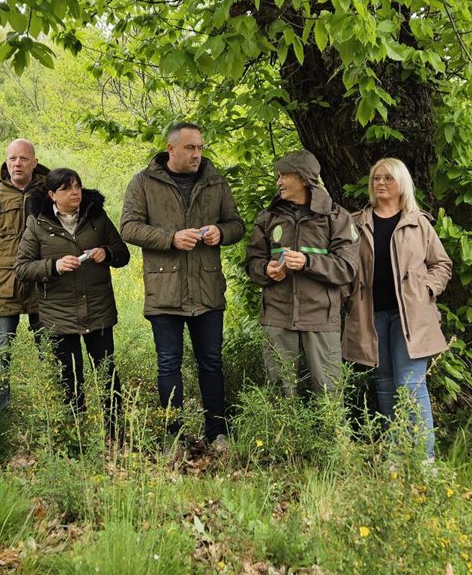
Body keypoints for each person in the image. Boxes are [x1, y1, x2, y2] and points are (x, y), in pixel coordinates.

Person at [120, 122, 244, 450]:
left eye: (200, 147)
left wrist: (221, 232)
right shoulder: (143, 182)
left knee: (212, 363)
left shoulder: (215, 181)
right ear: (171, 149)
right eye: (190, 148)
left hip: (207, 288)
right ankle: (173, 436)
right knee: (168, 364)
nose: (197, 154)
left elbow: (237, 225)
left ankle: (217, 433)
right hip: (165, 290)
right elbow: (128, 228)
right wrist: (170, 238)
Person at [341, 158, 451, 458]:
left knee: (411, 384)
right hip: (371, 315)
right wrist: (348, 295)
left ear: (402, 183)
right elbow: (342, 265)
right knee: (386, 384)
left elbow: (441, 264)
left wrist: (426, 290)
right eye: (376, 178)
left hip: (410, 317)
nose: (380, 183)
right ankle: (397, 455)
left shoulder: (418, 222)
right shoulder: (356, 223)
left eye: (388, 178)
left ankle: (425, 458)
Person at [16, 168, 130, 438]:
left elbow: (122, 254)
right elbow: (22, 268)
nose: (75, 192)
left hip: (98, 308)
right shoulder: (38, 223)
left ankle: (115, 431)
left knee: (106, 371)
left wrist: (106, 253)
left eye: (77, 186)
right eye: (67, 189)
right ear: (52, 195)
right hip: (59, 313)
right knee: (69, 375)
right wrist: (53, 266)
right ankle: (75, 433)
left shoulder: (96, 216)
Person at [244, 149, 358, 399]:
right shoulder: (269, 217)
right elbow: (252, 262)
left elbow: (347, 267)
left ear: (304, 179)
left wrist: (308, 262)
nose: (278, 182)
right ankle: (282, 428)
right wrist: (265, 269)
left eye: (284, 176)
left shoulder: (336, 217)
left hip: (320, 317)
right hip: (277, 316)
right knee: (279, 395)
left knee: (328, 395)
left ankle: (331, 428)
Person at [0, 139, 48, 410]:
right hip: (4, 285)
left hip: (43, 284)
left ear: (34, 163)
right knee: (0, 353)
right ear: (6, 161)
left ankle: (53, 411)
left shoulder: (50, 193)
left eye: (23, 159)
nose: (17, 164)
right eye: (12, 158)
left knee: (49, 350)